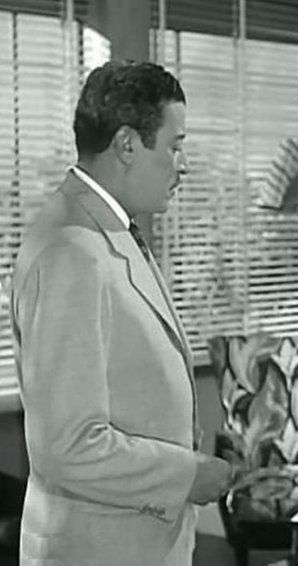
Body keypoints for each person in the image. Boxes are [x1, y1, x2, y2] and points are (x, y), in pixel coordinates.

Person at [11, 61, 232, 566]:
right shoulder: (70, 250)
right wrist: (187, 475)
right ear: (128, 144)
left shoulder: (109, 230)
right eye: (174, 146)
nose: (183, 165)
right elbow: (68, 445)